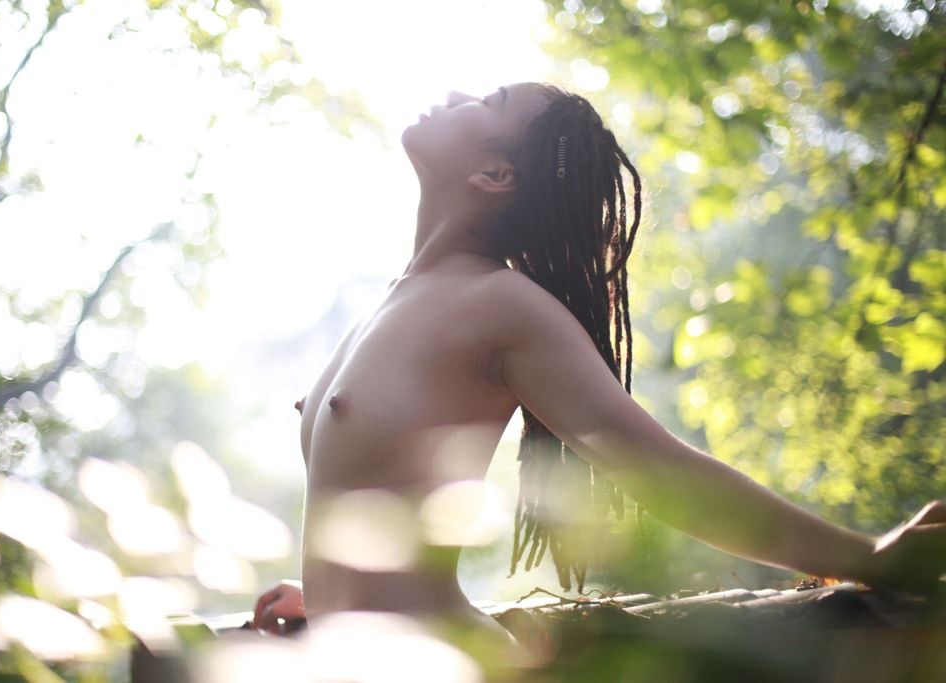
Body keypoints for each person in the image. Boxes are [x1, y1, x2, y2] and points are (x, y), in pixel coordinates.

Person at [250, 82, 946, 663]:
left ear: (495, 174)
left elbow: (661, 471)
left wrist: (870, 556)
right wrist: (336, 599)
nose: (457, 93)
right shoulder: (393, 298)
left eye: (488, 102)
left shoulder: (503, 305)